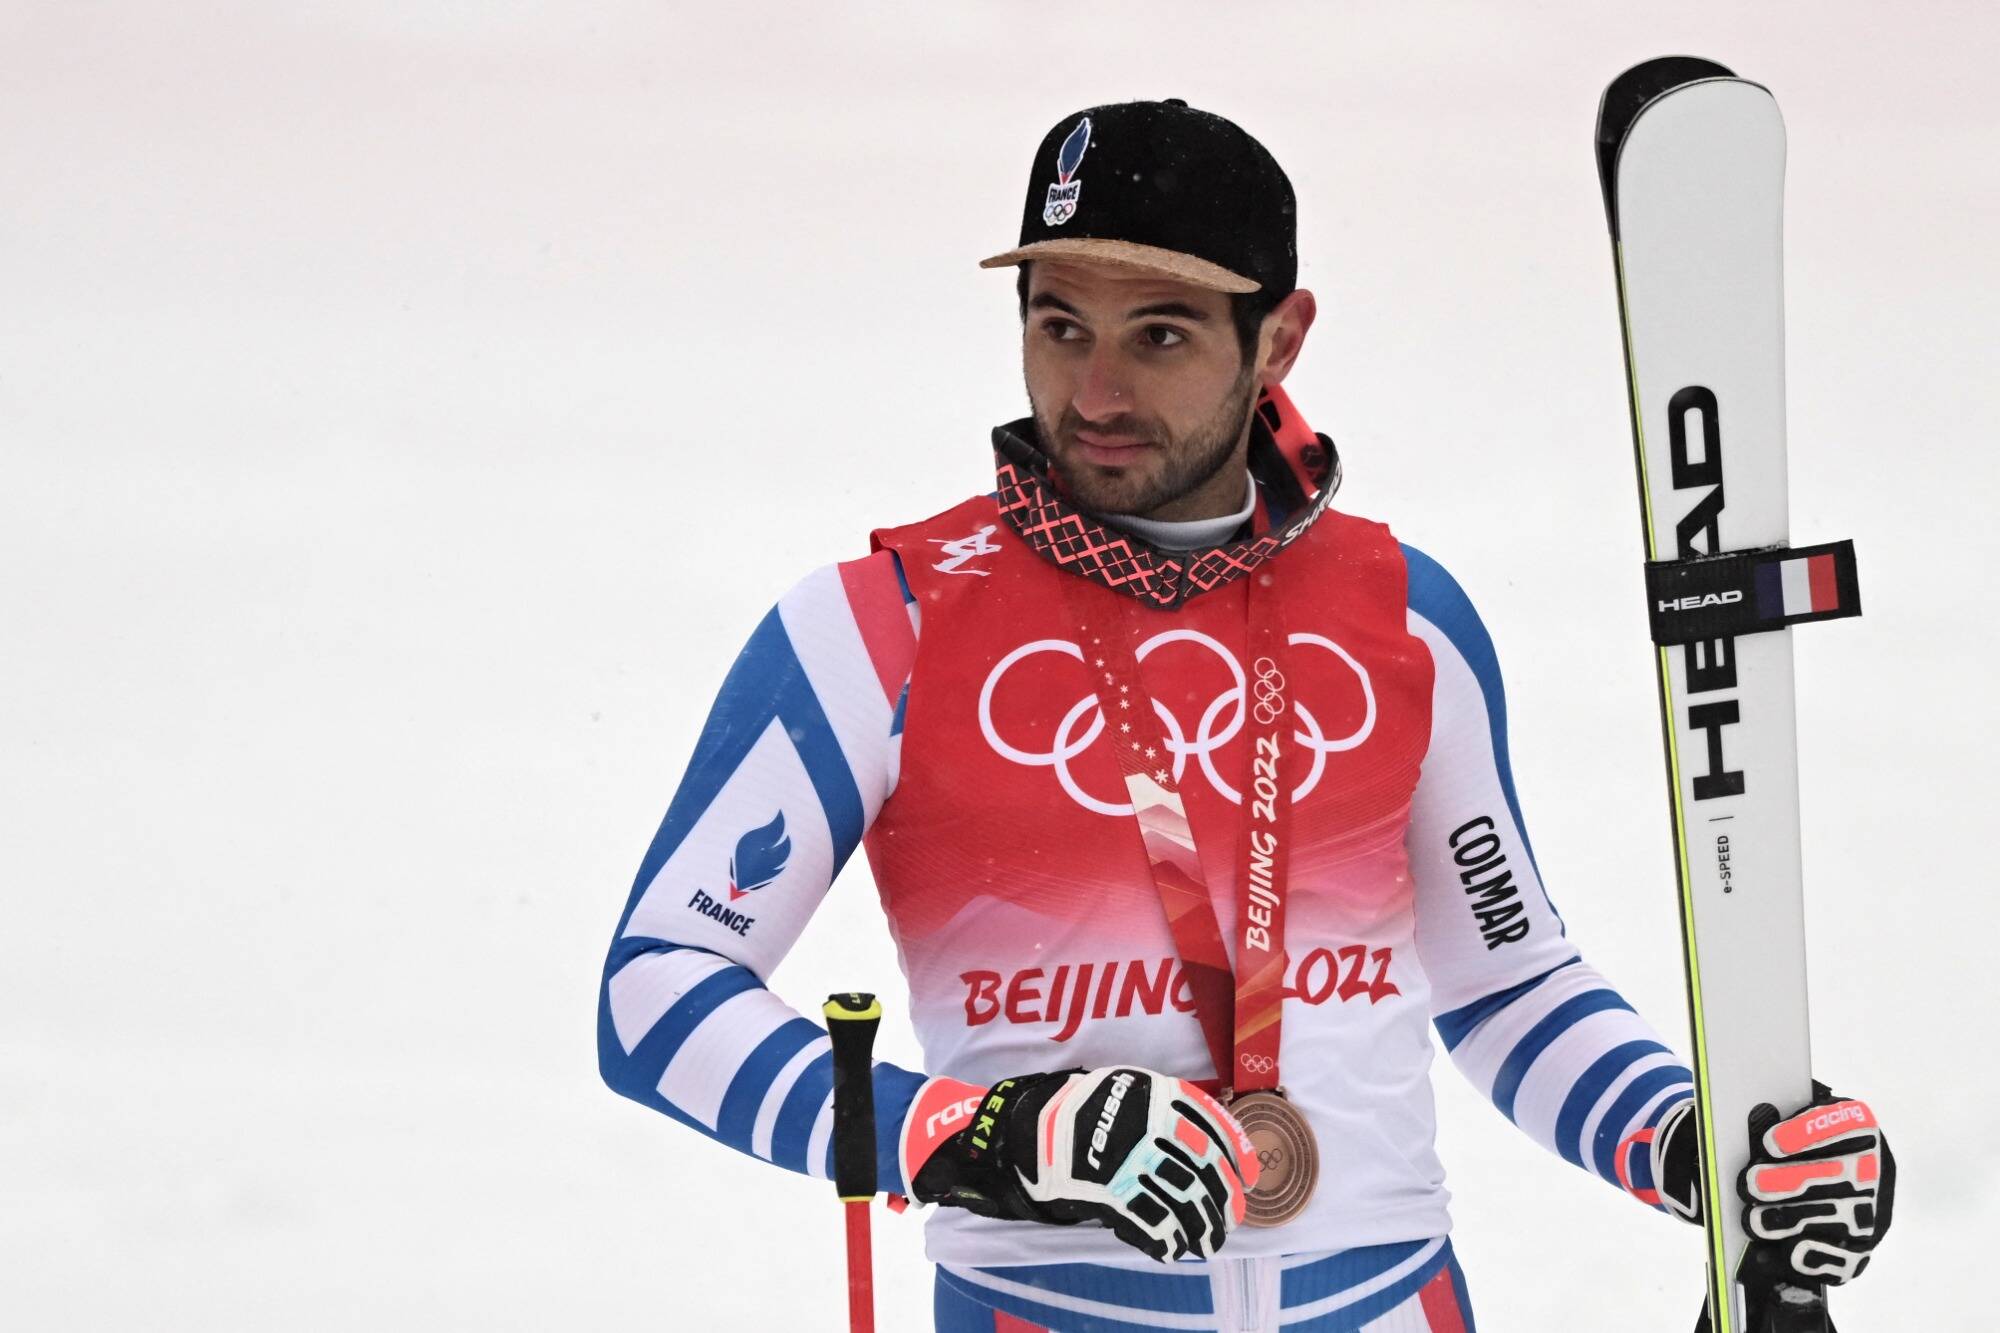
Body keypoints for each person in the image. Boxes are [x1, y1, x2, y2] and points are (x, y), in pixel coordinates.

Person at [597, 100, 1893, 1332]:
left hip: (1389, 1299)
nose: (1095, 392)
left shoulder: (1404, 614)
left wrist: (1696, 1146)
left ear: (1279, 337)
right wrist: (975, 1134)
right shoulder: (879, 628)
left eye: (1158, 334)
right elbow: (658, 991)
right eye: (1059, 326)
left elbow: (1507, 984)